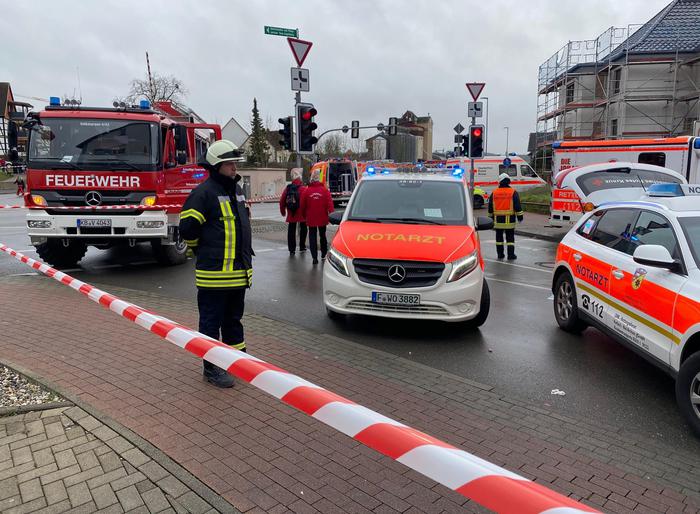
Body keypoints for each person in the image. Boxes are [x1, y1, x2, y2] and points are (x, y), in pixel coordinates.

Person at [179, 140, 253, 388]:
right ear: (216, 165)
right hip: (214, 276)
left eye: (235, 163)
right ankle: (212, 369)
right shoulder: (203, 193)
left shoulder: (237, 191)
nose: (234, 168)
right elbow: (187, 228)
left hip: (238, 274)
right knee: (211, 324)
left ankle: (238, 362)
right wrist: (200, 249)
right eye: (229, 164)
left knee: (233, 321)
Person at [300, 169, 334, 265]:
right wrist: (332, 216)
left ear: (311, 178)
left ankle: (314, 258)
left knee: (312, 237)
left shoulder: (307, 191)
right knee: (322, 235)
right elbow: (330, 204)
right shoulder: (325, 191)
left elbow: (302, 206)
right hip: (322, 217)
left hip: (311, 218)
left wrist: (304, 216)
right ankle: (323, 253)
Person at [488, 173, 524, 260]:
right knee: (510, 238)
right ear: (508, 181)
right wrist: (520, 217)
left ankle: (500, 254)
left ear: (499, 182)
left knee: (499, 238)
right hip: (510, 220)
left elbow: (490, 207)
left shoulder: (494, 193)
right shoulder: (513, 192)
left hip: (498, 221)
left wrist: (490, 218)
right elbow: (517, 206)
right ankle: (510, 255)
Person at [279, 168, 307, 256]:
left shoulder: (288, 188)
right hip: (302, 214)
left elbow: (282, 201)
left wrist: (283, 211)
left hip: (291, 212)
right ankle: (302, 246)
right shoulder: (304, 188)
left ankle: (292, 249)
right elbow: (307, 202)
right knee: (303, 229)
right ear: (300, 178)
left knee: (291, 230)